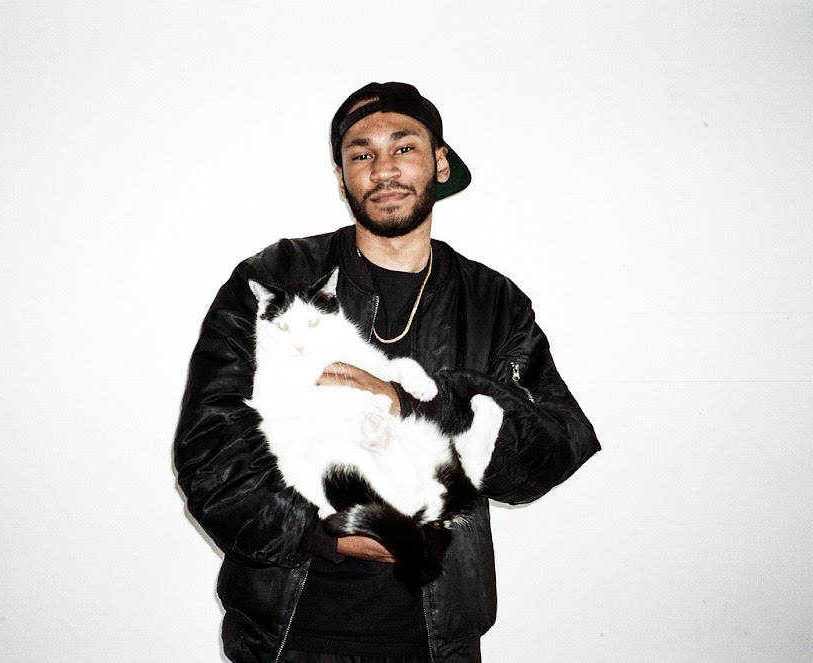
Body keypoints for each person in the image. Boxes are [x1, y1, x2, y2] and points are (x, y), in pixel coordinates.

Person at [173, 82, 601, 663]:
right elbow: (209, 451)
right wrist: (321, 534)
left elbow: (552, 450)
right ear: (342, 176)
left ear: (440, 163)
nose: (383, 169)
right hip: (287, 638)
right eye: (361, 154)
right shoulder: (277, 275)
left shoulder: (494, 302)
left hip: (436, 643)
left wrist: (421, 404)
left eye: (403, 147)